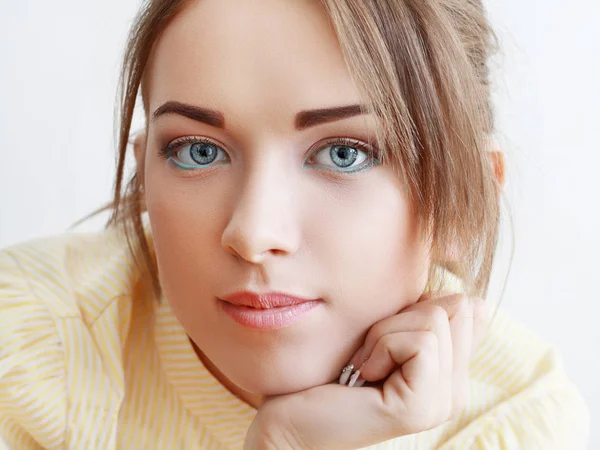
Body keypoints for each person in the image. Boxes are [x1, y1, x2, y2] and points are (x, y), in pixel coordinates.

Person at [0, 0, 590, 448]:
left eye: (344, 154)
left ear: (465, 201)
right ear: (145, 175)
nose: (254, 235)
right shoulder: (26, 346)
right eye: (197, 152)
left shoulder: (518, 424)